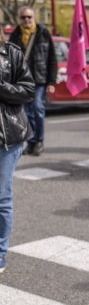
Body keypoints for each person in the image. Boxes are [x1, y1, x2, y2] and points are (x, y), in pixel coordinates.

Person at [0, 35, 35, 273]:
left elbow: (28, 90)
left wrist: (1, 87)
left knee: (1, 198)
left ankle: (0, 253)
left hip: (7, 137)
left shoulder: (12, 54)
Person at [8, 6, 57, 156]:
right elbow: (10, 59)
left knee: (37, 109)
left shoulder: (43, 33)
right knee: (26, 113)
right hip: (21, 81)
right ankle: (31, 142)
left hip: (39, 80)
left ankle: (39, 141)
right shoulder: (15, 34)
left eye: (29, 17)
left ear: (34, 18)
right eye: (23, 17)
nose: (27, 20)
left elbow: (52, 58)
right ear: (19, 19)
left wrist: (51, 82)